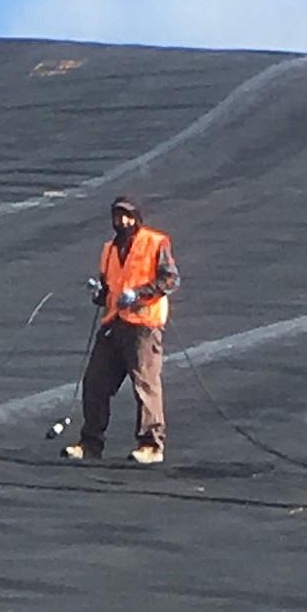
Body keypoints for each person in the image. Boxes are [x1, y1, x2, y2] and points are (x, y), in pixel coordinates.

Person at [62, 196, 179, 465]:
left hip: (143, 326)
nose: (122, 222)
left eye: (127, 216)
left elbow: (170, 279)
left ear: (137, 218)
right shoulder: (109, 249)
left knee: (145, 384)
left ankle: (151, 445)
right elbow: (108, 287)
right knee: (95, 383)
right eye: (117, 217)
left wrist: (138, 295)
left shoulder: (155, 242)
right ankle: (90, 443)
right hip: (114, 322)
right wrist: (100, 293)